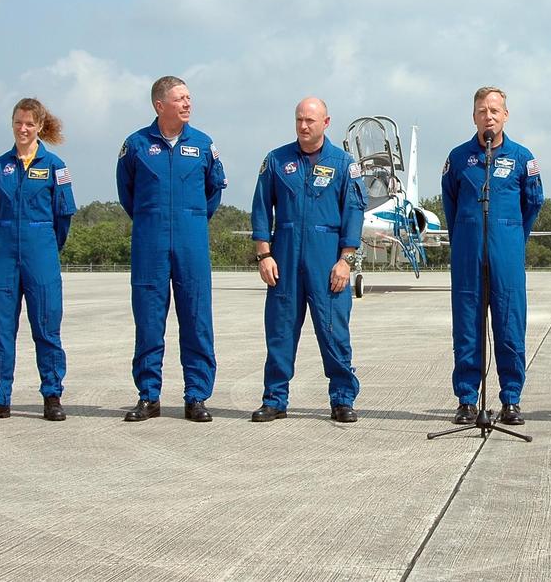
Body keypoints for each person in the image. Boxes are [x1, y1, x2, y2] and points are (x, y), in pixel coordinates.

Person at [250, 97, 367, 424]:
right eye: (299, 120)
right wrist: (264, 254)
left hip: (326, 258)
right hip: (284, 258)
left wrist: (345, 260)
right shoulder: (276, 160)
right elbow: (261, 209)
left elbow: (354, 214)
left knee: (334, 332)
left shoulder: (344, 164)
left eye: (310, 121)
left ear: (326, 123)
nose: (303, 126)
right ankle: (274, 399)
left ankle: (342, 399)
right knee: (280, 332)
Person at [116, 76, 226, 423]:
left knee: (196, 317)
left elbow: (214, 191)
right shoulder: (135, 145)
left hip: (191, 241)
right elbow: (126, 192)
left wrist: (190, 219)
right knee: (149, 319)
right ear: (159, 105)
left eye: (189, 98)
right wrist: (153, 218)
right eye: (180, 99)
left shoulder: (204, 144)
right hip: (150, 241)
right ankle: (149, 396)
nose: (188, 104)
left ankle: (196, 396)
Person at [442, 86, 544, 426]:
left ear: (506, 115)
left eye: (495, 110)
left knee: (510, 326)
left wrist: (513, 234)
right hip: (468, 254)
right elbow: (450, 204)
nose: (489, 116)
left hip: (507, 255)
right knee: (467, 329)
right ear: (474, 117)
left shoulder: (522, 158)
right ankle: (467, 400)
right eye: (483, 111)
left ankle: (511, 399)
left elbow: (534, 203)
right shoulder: (458, 158)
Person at [0, 98, 76, 422]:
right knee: (2, 330)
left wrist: (45, 245)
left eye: (30, 124)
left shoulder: (56, 166)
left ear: (40, 127)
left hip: (42, 251)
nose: (23, 129)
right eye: (19, 122)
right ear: (13, 123)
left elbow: (64, 215)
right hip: (6, 252)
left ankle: (52, 395)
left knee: (47, 327)